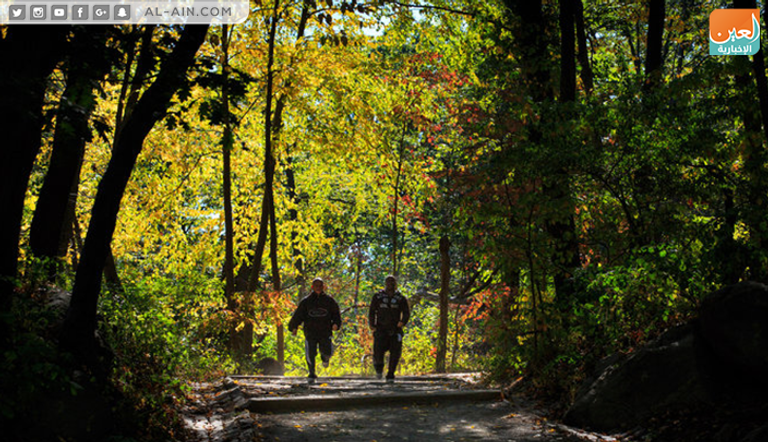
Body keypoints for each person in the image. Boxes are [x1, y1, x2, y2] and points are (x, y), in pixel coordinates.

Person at [288, 278, 342, 383]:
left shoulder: (329, 301)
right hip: (310, 331)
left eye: (320, 285)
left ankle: (325, 359)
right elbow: (298, 315)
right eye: (316, 285)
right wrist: (294, 327)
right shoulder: (306, 301)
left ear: (323, 287)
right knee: (310, 353)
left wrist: (336, 324)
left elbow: (336, 314)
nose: (318, 287)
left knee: (327, 351)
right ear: (312, 287)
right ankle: (312, 373)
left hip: (325, 331)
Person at [368, 275, 410, 382]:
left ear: (396, 284)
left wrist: (402, 322)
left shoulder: (400, 298)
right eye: (389, 282)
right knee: (378, 352)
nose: (391, 284)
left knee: (395, 352)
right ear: (385, 283)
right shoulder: (378, 296)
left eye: (393, 282)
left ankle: (390, 374)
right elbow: (372, 311)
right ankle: (378, 370)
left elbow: (406, 312)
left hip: (395, 330)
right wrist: (372, 324)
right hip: (380, 329)